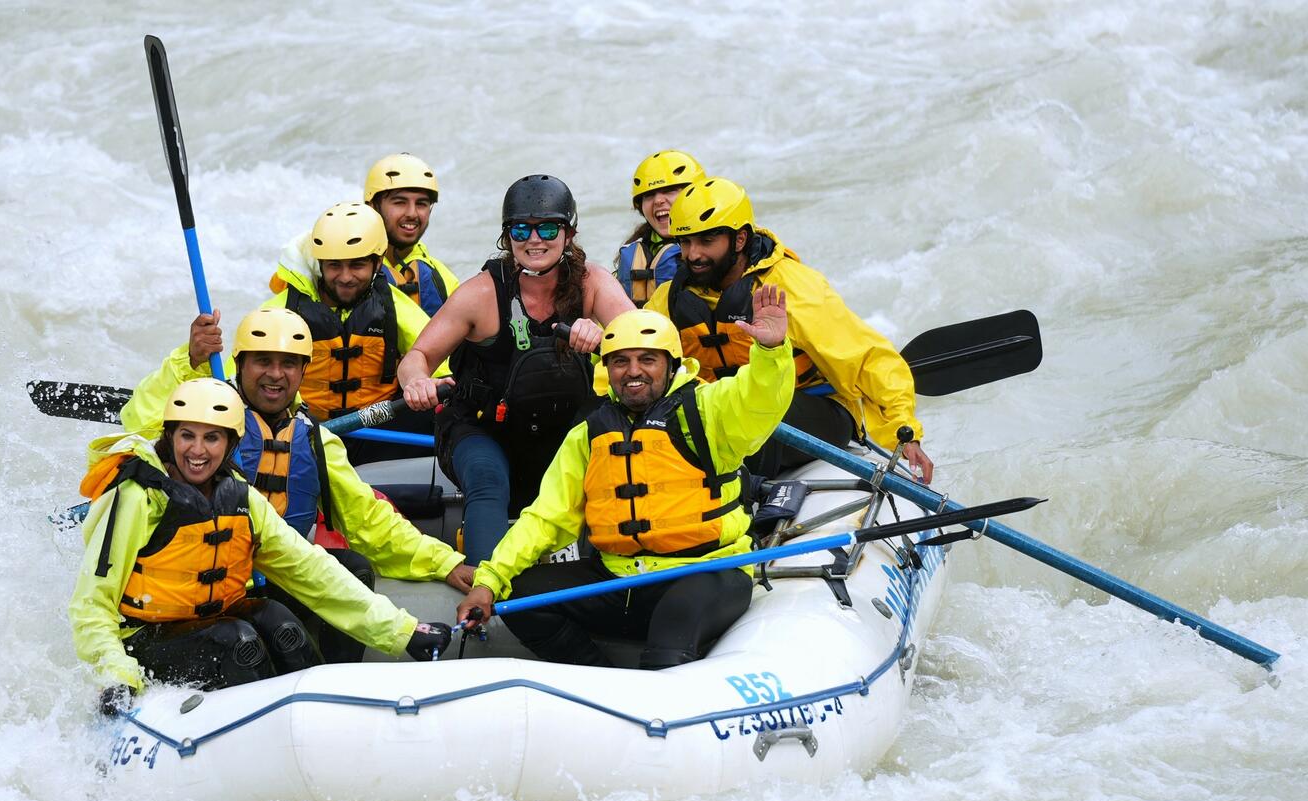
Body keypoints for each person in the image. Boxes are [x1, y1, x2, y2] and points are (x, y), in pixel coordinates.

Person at [117, 306, 476, 663]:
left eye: (288, 364)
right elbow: (138, 424)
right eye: (263, 362)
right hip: (190, 591)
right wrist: (188, 360)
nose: (275, 375)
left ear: (305, 370)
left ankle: (337, 679)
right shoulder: (205, 426)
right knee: (261, 630)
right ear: (239, 364)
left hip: (275, 575)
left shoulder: (315, 441)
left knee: (352, 567)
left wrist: (444, 562)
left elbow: (369, 522)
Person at [70, 379, 453, 712]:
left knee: (281, 625)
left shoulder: (243, 500)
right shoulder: (137, 497)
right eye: (187, 435)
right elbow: (92, 602)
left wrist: (403, 630)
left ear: (231, 443)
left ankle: (315, 725)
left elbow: (312, 571)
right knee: (237, 642)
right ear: (170, 437)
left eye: (212, 437)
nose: (197, 451)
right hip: (143, 640)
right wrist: (116, 675)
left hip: (216, 623)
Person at [455, 301, 794, 669]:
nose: (634, 372)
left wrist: (771, 351)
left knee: (675, 625)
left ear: (671, 365)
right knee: (522, 596)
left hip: (704, 573)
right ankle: (598, 678)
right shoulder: (588, 435)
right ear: (608, 369)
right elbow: (545, 518)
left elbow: (761, 400)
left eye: (648, 360)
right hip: (619, 579)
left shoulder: (710, 411)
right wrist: (489, 581)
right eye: (621, 361)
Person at [395, 174, 635, 564]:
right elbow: (416, 358)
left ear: (569, 234)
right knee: (489, 481)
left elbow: (645, 341)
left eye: (548, 228)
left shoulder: (592, 283)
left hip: (563, 430)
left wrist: (607, 337)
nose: (534, 240)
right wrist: (417, 382)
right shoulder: (481, 293)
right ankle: (483, 590)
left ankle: (609, 565)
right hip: (483, 429)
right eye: (521, 229)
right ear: (507, 237)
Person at [645, 176, 934, 482]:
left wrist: (905, 432)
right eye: (685, 242)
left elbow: (866, 359)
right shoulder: (670, 297)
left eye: (706, 242)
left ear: (739, 239)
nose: (692, 254)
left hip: (812, 408)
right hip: (719, 411)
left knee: (753, 411)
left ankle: (744, 491)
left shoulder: (792, 286)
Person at [263, 201, 442, 464]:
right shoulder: (282, 313)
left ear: (377, 262)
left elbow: (440, 358)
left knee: (448, 414)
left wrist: (428, 384)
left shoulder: (392, 305)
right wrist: (195, 359)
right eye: (334, 266)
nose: (345, 277)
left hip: (379, 431)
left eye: (356, 265)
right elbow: (233, 379)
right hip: (308, 435)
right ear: (320, 264)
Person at [363, 152, 459, 316]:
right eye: (399, 202)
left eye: (421, 204)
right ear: (372, 206)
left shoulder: (445, 281)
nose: (412, 213)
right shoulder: (346, 269)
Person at [614, 150, 704, 305]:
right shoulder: (636, 249)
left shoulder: (718, 244)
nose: (658, 201)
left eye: (669, 191)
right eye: (649, 195)